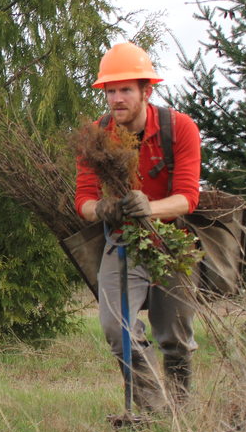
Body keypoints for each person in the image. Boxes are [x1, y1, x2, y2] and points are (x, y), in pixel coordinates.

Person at [75, 42, 202, 411]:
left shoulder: (179, 128)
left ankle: (180, 411)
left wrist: (150, 207)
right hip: (122, 241)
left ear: (147, 90)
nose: (116, 98)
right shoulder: (94, 136)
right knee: (118, 330)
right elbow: (82, 200)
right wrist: (103, 209)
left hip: (172, 242)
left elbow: (187, 198)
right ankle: (153, 409)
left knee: (174, 336)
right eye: (110, 90)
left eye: (125, 89)